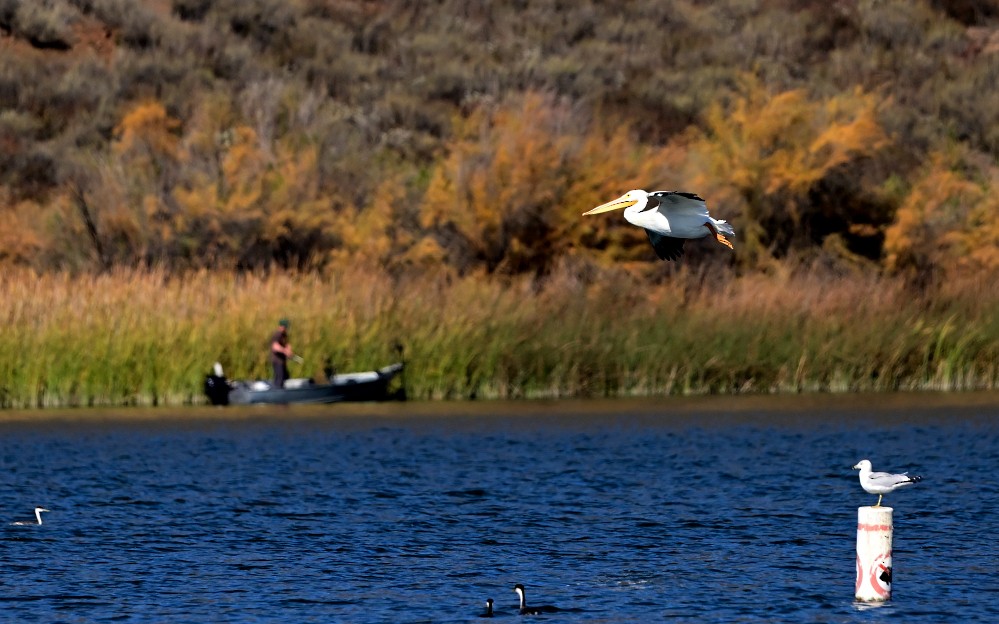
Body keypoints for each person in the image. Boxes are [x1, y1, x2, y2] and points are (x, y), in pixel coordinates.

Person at [270, 318, 295, 388]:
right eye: (286, 327)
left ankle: (286, 392)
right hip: (277, 361)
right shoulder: (277, 334)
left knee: (286, 377)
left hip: (282, 361)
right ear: (282, 326)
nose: (287, 328)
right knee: (279, 378)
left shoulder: (284, 335)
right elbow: (275, 347)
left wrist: (289, 351)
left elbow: (287, 344)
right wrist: (284, 351)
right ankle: (277, 393)